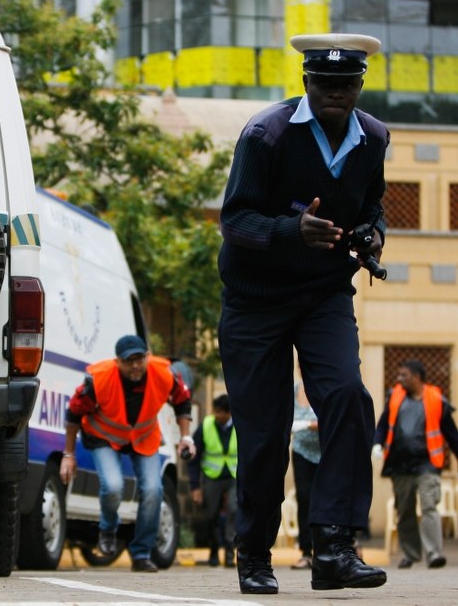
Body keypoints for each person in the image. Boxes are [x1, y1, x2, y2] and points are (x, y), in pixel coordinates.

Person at [218, 32, 389, 594]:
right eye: (324, 83)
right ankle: (255, 555)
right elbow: (235, 220)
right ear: (306, 83)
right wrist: (291, 230)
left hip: (323, 296)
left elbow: (373, 205)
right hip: (255, 302)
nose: (335, 93)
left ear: (360, 86)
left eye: (345, 84)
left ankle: (334, 547)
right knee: (265, 435)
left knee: (347, 397)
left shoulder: (375, 139)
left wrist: (371, 234)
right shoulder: (265, 135)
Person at [59, 334, 195, 573]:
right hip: (104, 437)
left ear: (147, 357)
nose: (135, 365)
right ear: (117, 362)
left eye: (139, 359)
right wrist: (68, 454)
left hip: (143, 437)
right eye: (128, 360)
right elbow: (73, 414)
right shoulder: (99, 379)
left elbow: (182, 401)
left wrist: (185, 437)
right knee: (113, 486)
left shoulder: (165, 373)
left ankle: (141, 553)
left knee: (153, 490)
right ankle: (108, 529)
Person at [372, 359, 458, 570]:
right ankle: (410, 554)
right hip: (400, 465)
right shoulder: (395, 397)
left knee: (429, 505)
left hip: (427, 464)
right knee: (405, 510)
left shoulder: (437, 400)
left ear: (418, 378)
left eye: (404, 375)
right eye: (399, 375)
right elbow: (383, 425)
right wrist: (377, 443)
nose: (400, 379)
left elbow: (452, 434)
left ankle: (434, 553)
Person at [188, 394, 237, 568]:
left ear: (230, 413)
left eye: (223, 413)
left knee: (233, 510)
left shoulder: (240, 425)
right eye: (216, 412)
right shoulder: (206, 426)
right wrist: (195, 487)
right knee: (210, 515)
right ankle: (214, 549)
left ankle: (230, 551)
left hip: (234, 476)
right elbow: (194, 458)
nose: (219, 416)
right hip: (211, 476)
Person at [290, 381, 320, 570]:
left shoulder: (324, 385)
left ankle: (327, 550)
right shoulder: (293, 390)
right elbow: (285, 419)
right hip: (301, 452)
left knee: (326, 499)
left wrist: (305, 425)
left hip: (326, 451)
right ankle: (306, 552)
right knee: (304, 498)